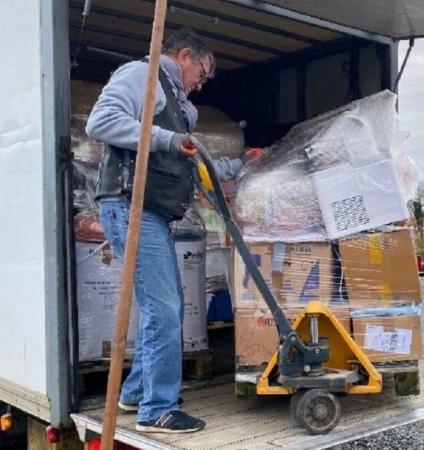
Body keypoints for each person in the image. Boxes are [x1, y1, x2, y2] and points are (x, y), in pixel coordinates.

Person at [86, 28, 244, 433]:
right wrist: (167, 139)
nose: (200, 83)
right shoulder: (144, 75)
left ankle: (137, 392)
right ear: (184, 55)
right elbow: (100, 122)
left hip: (153, 212)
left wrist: (242, 166)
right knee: (165, 307)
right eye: (201, 73)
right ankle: (157, 409)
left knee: (165, 303)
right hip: (131, 205)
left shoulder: (175, 104)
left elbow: (192, 168)